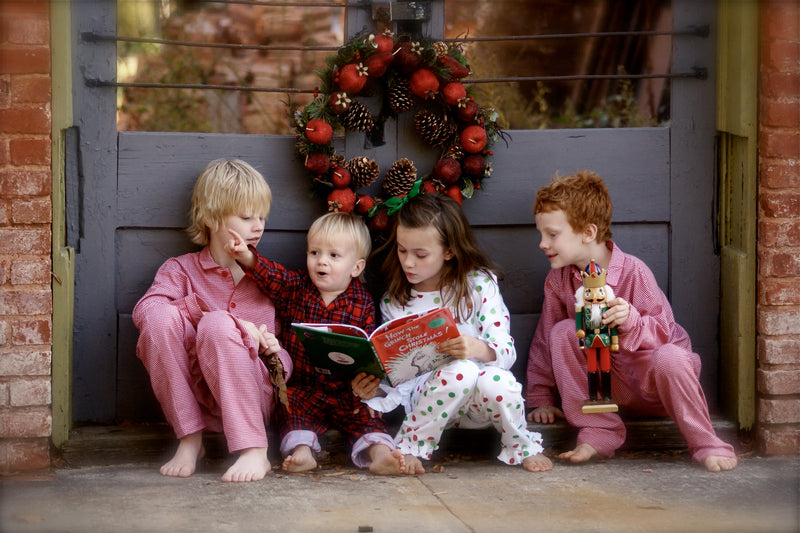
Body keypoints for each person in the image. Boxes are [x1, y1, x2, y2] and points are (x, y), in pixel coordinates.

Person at [526, 170, 738, 472]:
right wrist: (541, 396)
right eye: (541, 234)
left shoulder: (634, 272)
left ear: (588, 233)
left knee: (671, 357)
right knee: (562, 331)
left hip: (655, 385)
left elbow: (668, 333)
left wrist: (632, 322)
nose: (542, 243)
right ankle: (599, 430)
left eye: (552, 235)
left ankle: (706, 442)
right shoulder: (559, 280)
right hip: (607, 388)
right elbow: (546, 338)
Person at [354, 192, 553, 474]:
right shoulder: (396, 302)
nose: (408, 262)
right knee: (460, 371)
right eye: (401, 250)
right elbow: (397, 376)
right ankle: (411, 445)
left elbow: (505, 351)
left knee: (498, 381)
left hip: (481, 402)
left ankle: (521, 445)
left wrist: (476, 348)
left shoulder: (479, 286)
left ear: (449, 251)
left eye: (420, 254)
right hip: (428, 401)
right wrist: (376, 388)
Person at [133, 159, 292, 482]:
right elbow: (145, 314)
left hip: (253, 393)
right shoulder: (181, 270)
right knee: (165, 317)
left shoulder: (268, 278)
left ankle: (254, 450)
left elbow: (286, 363)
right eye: (247, 217)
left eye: (262, 217)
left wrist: (268, 349)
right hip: (195, 396)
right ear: (210, 218)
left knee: (219, 327)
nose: (258, 226)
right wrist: (205, 312)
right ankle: (190, 439)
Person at [225, 211, 409, 475]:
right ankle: (302, 452)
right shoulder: (296, 287)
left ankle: (379, 453)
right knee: (288, 404)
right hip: (306, 388)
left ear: (356, 267)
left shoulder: (362, 301)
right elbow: (270, 275)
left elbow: (369, 350)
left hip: (348, 392)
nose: (321, 261)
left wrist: (366, 383)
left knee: (367, 414)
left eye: (334, 256)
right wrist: (244, 255)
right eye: (314, 253)